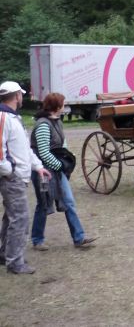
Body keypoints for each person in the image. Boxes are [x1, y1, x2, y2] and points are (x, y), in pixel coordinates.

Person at [30, 93, 97, 251]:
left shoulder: (56, 121)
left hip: (56, 169)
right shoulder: (43, 125)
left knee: (69, 202)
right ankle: (37, 239)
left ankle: (79, 238)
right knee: (43, 204)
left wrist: (64, 158)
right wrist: (61, 165)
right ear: (56, 106)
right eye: (63, 103)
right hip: (43, 171)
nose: (65, 106)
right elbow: (44, 152)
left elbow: (61, 144)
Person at [0, 81, 51, 274]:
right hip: (12, 177)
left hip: (16, 175)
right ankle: (15, 262)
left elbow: (24, 149)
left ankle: (5, 253)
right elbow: (0, 150)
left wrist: (37, 166)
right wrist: (8, 171)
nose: (23, 97)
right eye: (21, 94)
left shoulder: (13, 118)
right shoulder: (3, 118)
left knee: (11, 216)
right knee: (20, 218)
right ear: (16, 96)